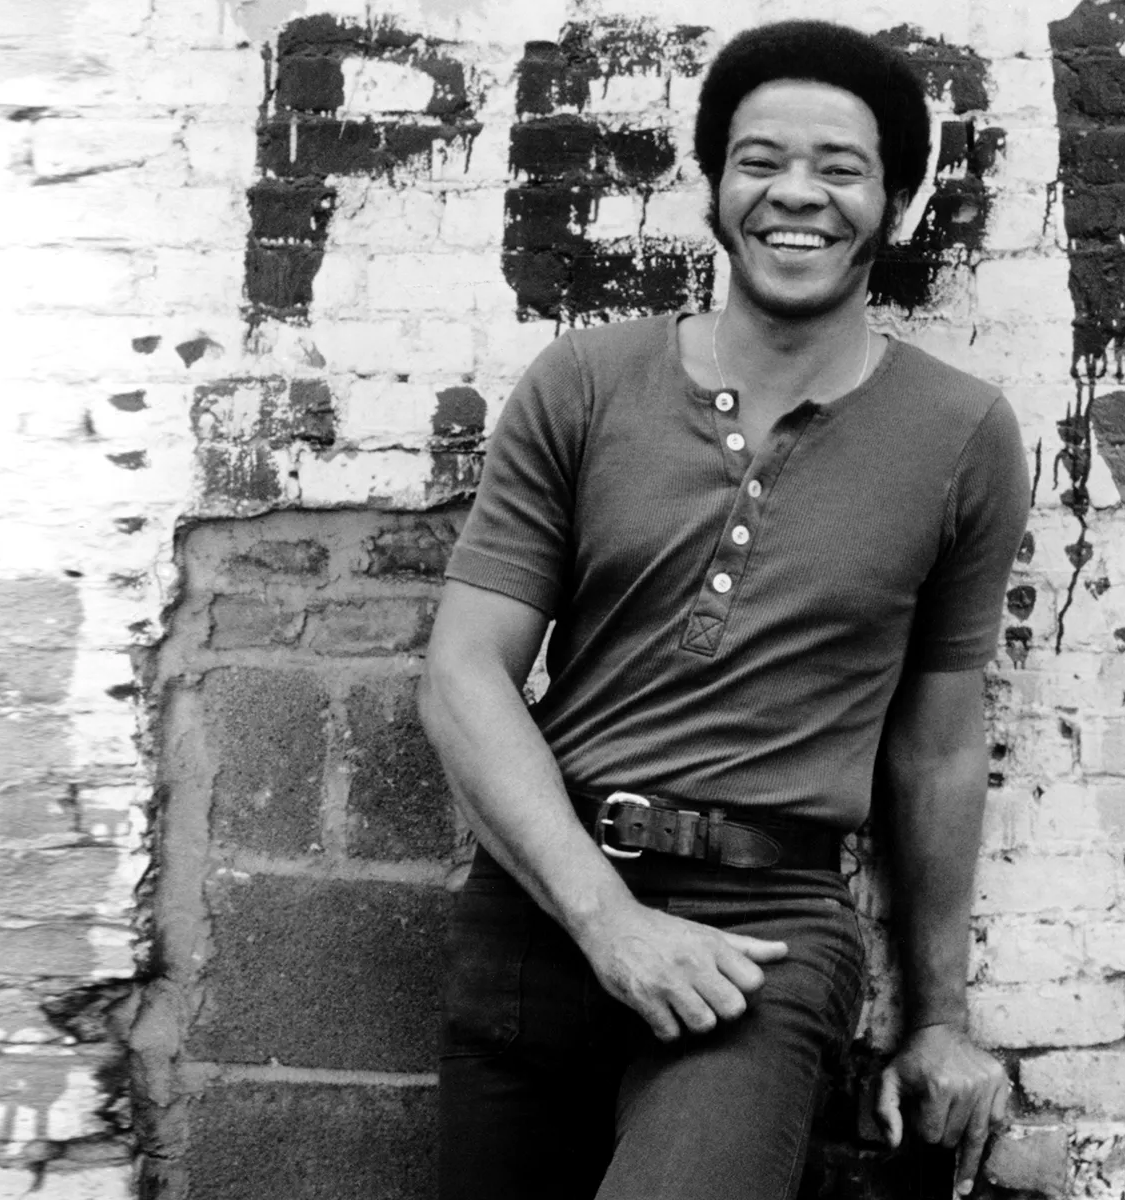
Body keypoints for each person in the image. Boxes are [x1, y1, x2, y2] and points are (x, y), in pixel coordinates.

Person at [420, 19, 1031, 1200]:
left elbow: (942, 742)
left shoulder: (962, 434)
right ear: (712, 186)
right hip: (544, 903)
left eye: (840, 168)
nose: (795, 193)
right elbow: (463, 674)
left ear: (895, 204)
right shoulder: (584, 385)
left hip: (768, 937)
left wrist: (940, 1019)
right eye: (759, 159)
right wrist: (606, 920)